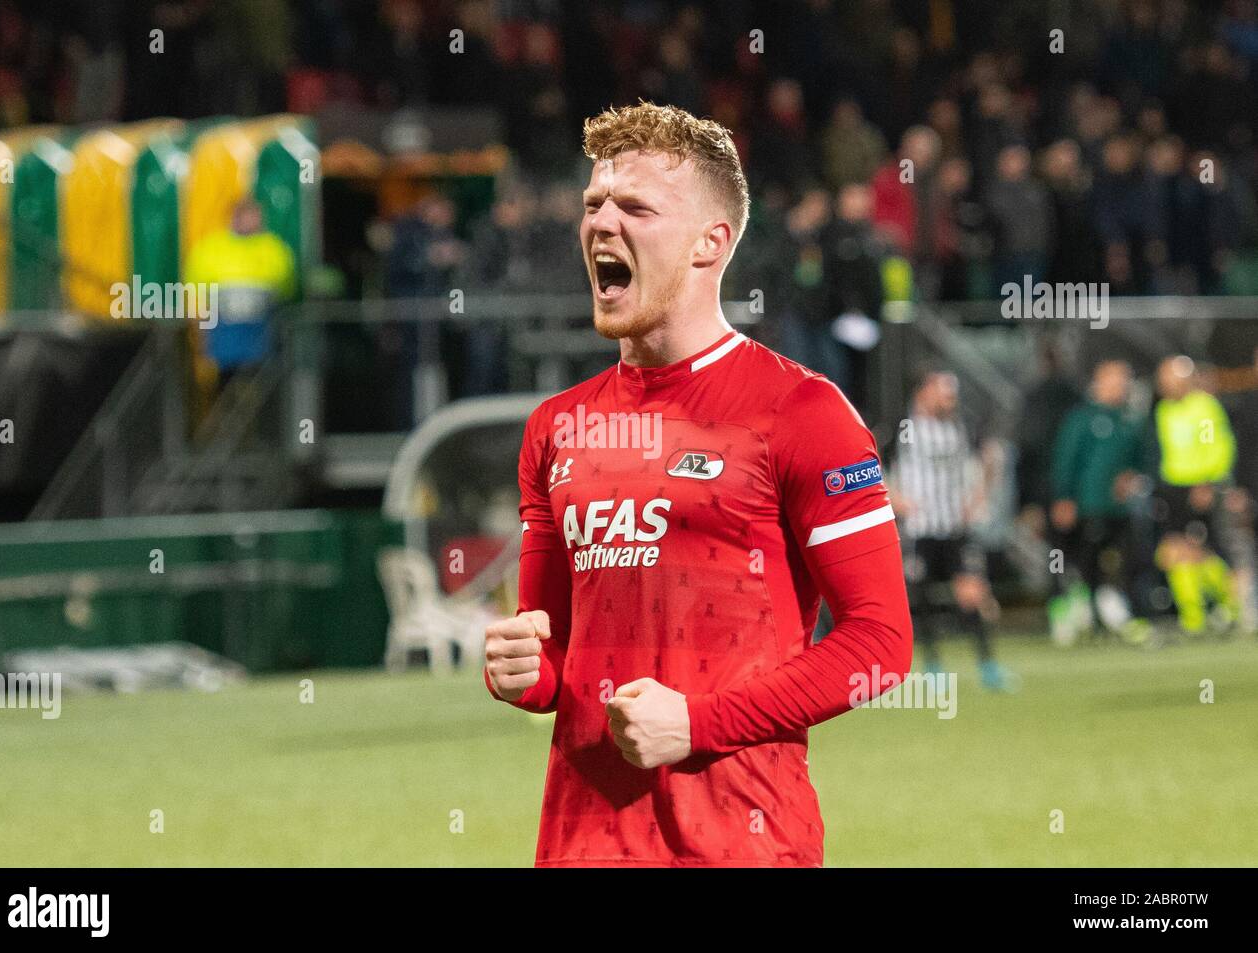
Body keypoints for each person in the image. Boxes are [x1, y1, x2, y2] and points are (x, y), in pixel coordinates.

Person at [481, 102, 913, 868]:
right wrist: (522, 670)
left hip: (742, 845)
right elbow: (553, 654)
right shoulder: (555, 426)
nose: (601, 224)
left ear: (710, 243)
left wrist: (698, 722)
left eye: (635, 207)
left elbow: (880, 643)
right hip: (580, 845)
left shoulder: (802, 411)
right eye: (593, 204)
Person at [888, 369, 1017, 691]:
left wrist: (979, 495)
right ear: (922, 393)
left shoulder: (962, 427)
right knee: (922, 596)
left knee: (971, 594)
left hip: (955, 528)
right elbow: (865, 461)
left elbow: (992, 457)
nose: (949, 398)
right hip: (920, 529)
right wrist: (892, 496)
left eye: (951, 392)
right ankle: (932, 666)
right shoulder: (902, 428)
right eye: (942, 391)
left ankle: (988, 666)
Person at [1048, 359, 1153, 643]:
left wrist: (1132, 477)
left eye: (1124, 380)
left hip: (1118, 508)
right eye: (1115, 379)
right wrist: (1064, 498)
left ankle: (1117, 614)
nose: (1121, 386)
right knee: (1081, 563)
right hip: (1088, 506)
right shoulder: (1082, 419)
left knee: (1125, 561)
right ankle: (1077, 616)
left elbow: (1141, 461)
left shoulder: (1130, 420)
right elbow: (1066, 460)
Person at [1151, 355, 1241, 633]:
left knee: (1206, 550)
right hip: (1173, 488)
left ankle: (1232, 606)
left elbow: (1220, 447)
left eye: (1171, 380)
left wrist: (1209, 483)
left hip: (1201, 486)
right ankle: (1194, 618)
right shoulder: (1163, 410)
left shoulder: (1204, 406)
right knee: (1173, 551)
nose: (1165, 385)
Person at [184, 198, 297, 383]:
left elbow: (287, 292)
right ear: (233, 217)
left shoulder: (275, 248)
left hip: (263, 338)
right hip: (223, 339)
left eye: (255, 216)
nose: (252, 221)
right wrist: (200, 335)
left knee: (261, 387)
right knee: (224, 387)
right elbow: (195, 295)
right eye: (247, 216)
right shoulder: (210, 248)